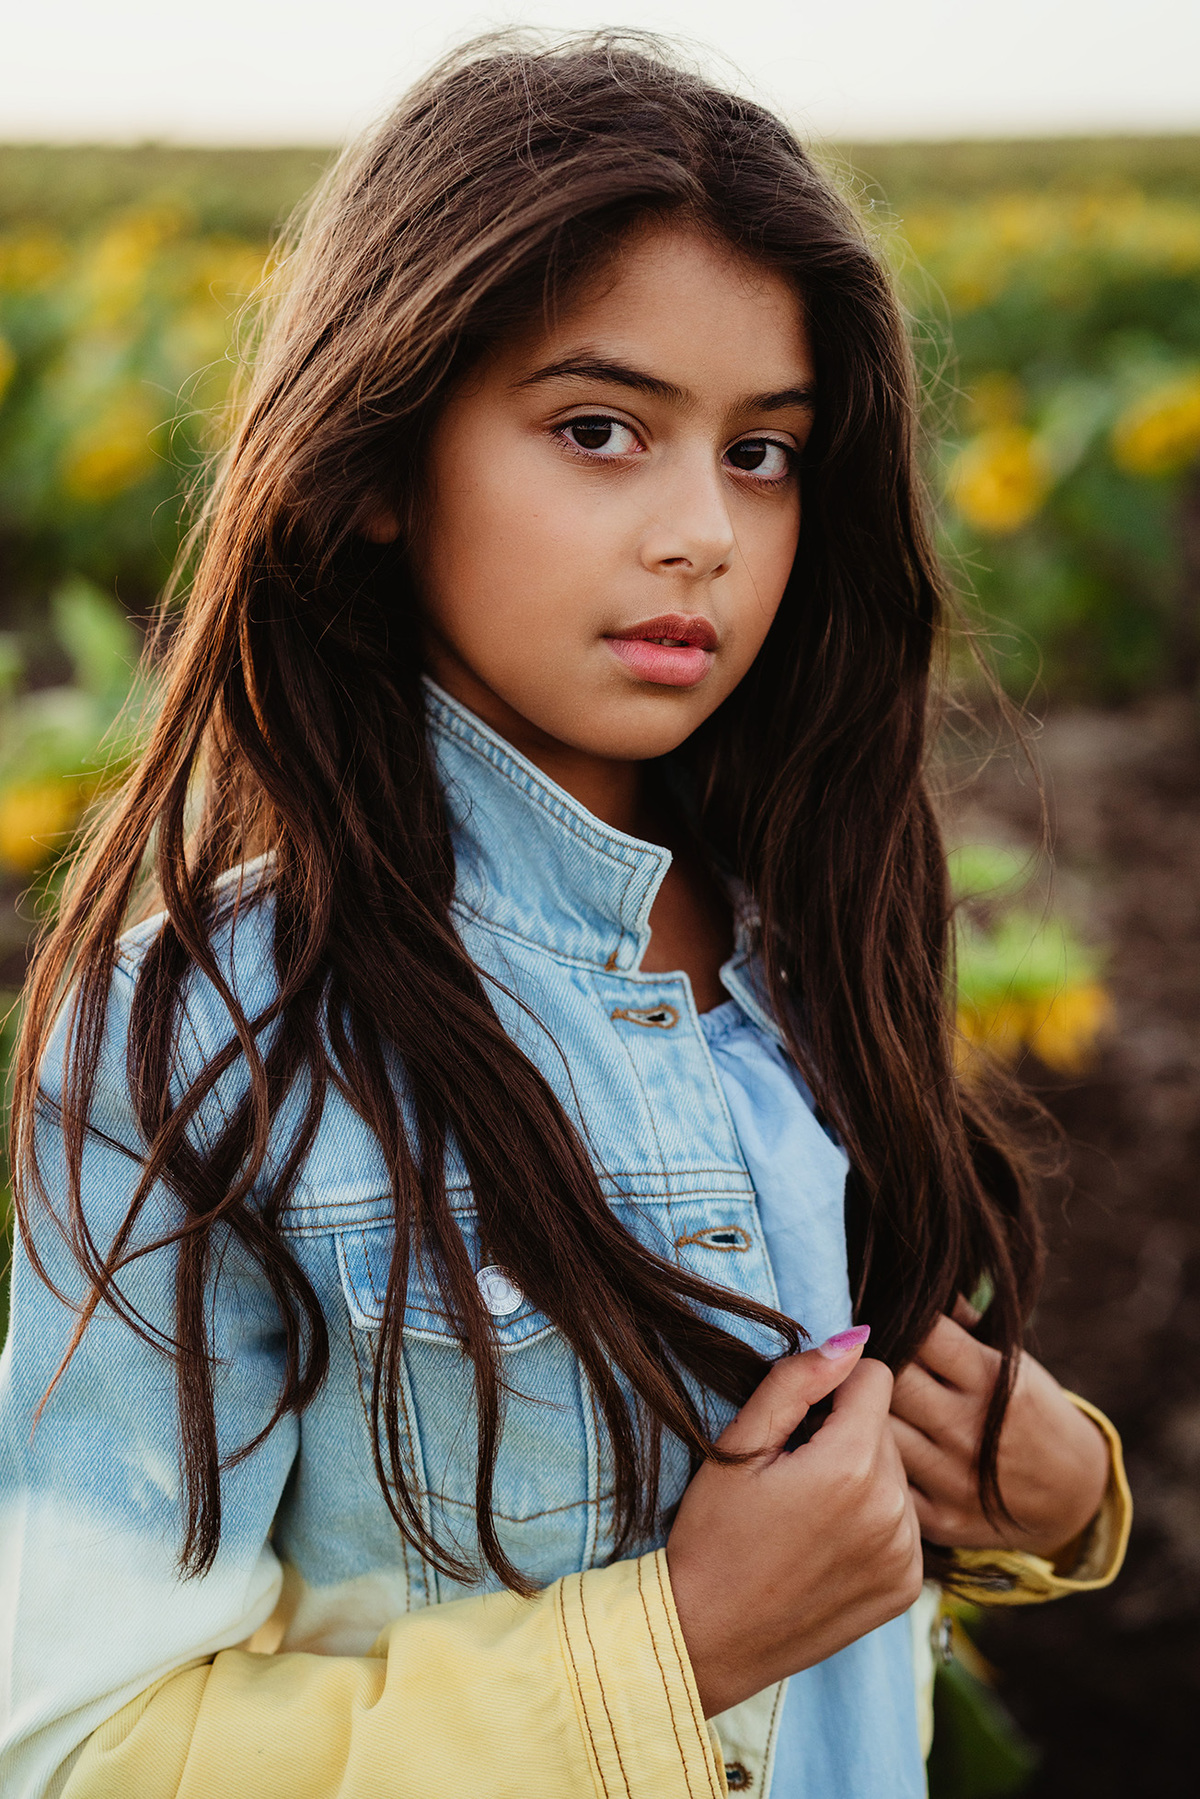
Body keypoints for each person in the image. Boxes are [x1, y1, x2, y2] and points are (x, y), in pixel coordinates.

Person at [0, 33, 1130, 1799]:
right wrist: (671, 1654)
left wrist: (1052, 1500)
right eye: (600, 431)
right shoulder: (206, 1034)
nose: (704, 532)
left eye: (763, 453)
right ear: (381, 459)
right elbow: (77, 1751)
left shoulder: (817, 928)